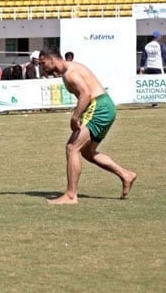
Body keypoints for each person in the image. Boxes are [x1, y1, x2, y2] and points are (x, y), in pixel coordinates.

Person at [38, 47, 137, 205]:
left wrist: (75, 117)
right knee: (88, 152)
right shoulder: (69, 70)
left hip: (99, 107)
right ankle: (126, 175)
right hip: (103, 107)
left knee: (72, 148)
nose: (42, 67)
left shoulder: (70, 73)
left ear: (52, 59)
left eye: (43, 63)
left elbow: (86, 94)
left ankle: (71, 196)